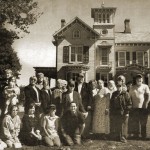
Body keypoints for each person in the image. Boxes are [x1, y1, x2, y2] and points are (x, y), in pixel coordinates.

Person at [129, 74, 150, 139]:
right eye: (138, 79)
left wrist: (145, 104)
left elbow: (148, 96)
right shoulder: (132, 87)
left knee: (143, 122)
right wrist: (130, 105)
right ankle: (136, 135)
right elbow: (129, 97)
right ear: (136, 80)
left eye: (140, 79)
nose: (139, 80)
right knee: (135, 121)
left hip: (143, 107)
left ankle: (143, 135)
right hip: (134, 107)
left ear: (142, 79)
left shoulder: (145, 86)